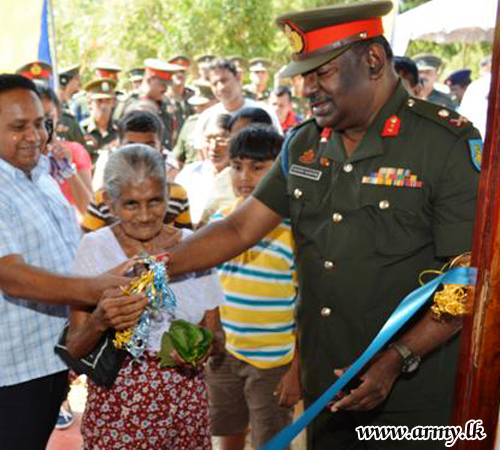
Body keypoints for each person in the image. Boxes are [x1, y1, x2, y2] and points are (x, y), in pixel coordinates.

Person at [164, 1, 481, 448]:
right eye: (303, 74)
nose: (307, 87)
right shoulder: (305, 144)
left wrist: (397, 357)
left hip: (411, 394)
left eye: (321, 72)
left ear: (372, 60)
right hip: (325, 390)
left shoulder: (444, 143)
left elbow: (467, 278)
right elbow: (239, 229)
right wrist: (155, 266)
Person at [0, 74, 128, 450]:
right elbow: (12, 276)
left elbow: (67, 244)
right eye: (19, 126)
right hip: (15, 366)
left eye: (40, 123)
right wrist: (99, 288)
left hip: (56, 349)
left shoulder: (35, 172)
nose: (35, 136)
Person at [65, 144, 225, 449]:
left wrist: (199, 348)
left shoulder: (194, 247)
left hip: (185, 409)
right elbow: (75, 346)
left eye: (155, 201)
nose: (145, 215)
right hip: (118, 410)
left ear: (168, 196)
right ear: (111, 205)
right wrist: (101, 320)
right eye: (130, 204)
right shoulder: (95, 249)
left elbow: (218, 338)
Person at [207, 125, 299, 450]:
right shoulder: (220, 221)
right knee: (226, 434)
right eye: (236, 166)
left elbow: (309, 308)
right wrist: (211, 332)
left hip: (273, 362)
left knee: (270, 441)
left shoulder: (294, 231)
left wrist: (296, 371)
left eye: (258, 167)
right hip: (224, 354)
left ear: (280, 169)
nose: (244, 176)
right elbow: (210, 288)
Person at [83, 110, 193, 232]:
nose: (140, 153)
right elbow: (88, 242)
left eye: (149, 146)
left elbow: (188, 243)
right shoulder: (103, 198)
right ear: (118, 147)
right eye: (131, 145)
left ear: (161, 148)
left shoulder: (177, 194)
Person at [191, 58, 281, 154]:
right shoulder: (207, 117)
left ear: (238, 77)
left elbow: (278, 151)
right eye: (215, 83)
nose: (220, 87)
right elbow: (202, 156)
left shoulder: (263, 112)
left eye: (224, 80)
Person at [34, 81, 93, 215]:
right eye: (37, 118)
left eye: (48, 116)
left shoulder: (75, 152)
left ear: (58, 114)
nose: (43, 124)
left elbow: (89, 212)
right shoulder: (18, 157)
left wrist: (67, 169)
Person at [115, 59, 184, 150]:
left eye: (167, 84)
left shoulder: (163, 103)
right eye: (162, 84)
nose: (165, 89)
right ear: (150, 80)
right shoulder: (137, 105)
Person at [176, 113, 231, 226]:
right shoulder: (189, 174)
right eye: (208, 139)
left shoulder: (241, 179)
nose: (214, 147)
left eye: (221, 139)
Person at [172, 80, 219, 168]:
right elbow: (178, 155)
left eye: (203, 105)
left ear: (216, 102)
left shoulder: (226, 124)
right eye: (196, 106)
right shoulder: (191, 123)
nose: (198, 110)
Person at [81, 78, 119, 162]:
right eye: (99, 101)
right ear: (89, 103)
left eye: (107, 101)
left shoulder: (120, 130)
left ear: (113, 103)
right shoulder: (81, 130)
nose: (104, 106)